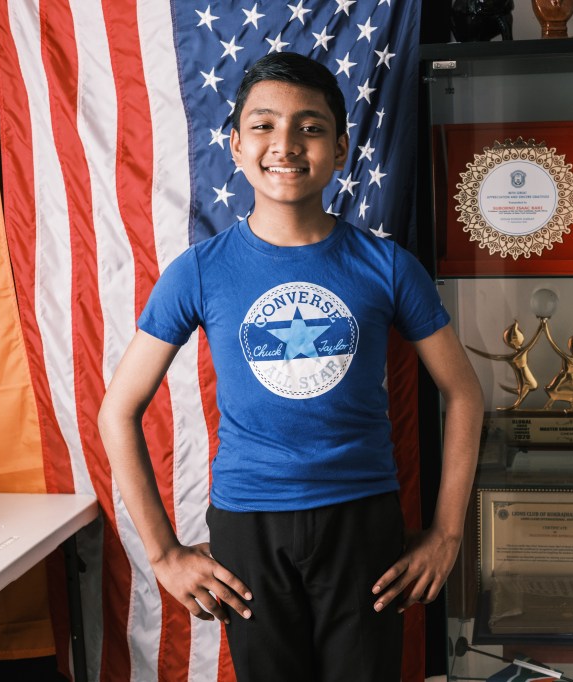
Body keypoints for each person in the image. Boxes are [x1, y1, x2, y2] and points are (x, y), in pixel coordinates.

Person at [98, 52, 483, 682]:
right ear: (236, 145)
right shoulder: (199, 270)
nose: (286, 144)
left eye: (310, 127)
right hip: (248, 525)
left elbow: (464, 394)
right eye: (264, 126)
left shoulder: (388, 266)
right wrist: (163, 552)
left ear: (338, 146)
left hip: (363, 520)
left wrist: (445, 533)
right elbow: (118, 409)